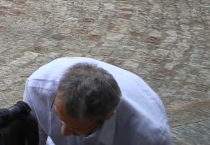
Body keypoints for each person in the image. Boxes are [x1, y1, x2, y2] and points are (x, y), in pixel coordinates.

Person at [24, 58, 169, 145]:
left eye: (76, 129)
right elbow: (34, 140)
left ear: (107, 117)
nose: (64, 132)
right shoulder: (38, 89)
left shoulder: (150, 138)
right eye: (60, 119)